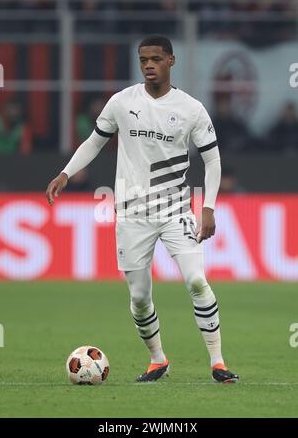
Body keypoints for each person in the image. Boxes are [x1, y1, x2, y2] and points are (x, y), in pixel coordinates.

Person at [46, 35, 238, 384]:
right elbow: (95, 141)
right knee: (138, 298)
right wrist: (66, 173)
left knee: (196, 280)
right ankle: (157, 360)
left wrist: (208, 207)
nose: (148, 65)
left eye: (155, 59)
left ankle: (218, 362)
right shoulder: (122, 102)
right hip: (132, 213)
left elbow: (213, 161)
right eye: (143, 59)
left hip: (175, 209)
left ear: (171, 61)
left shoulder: (191, 109)